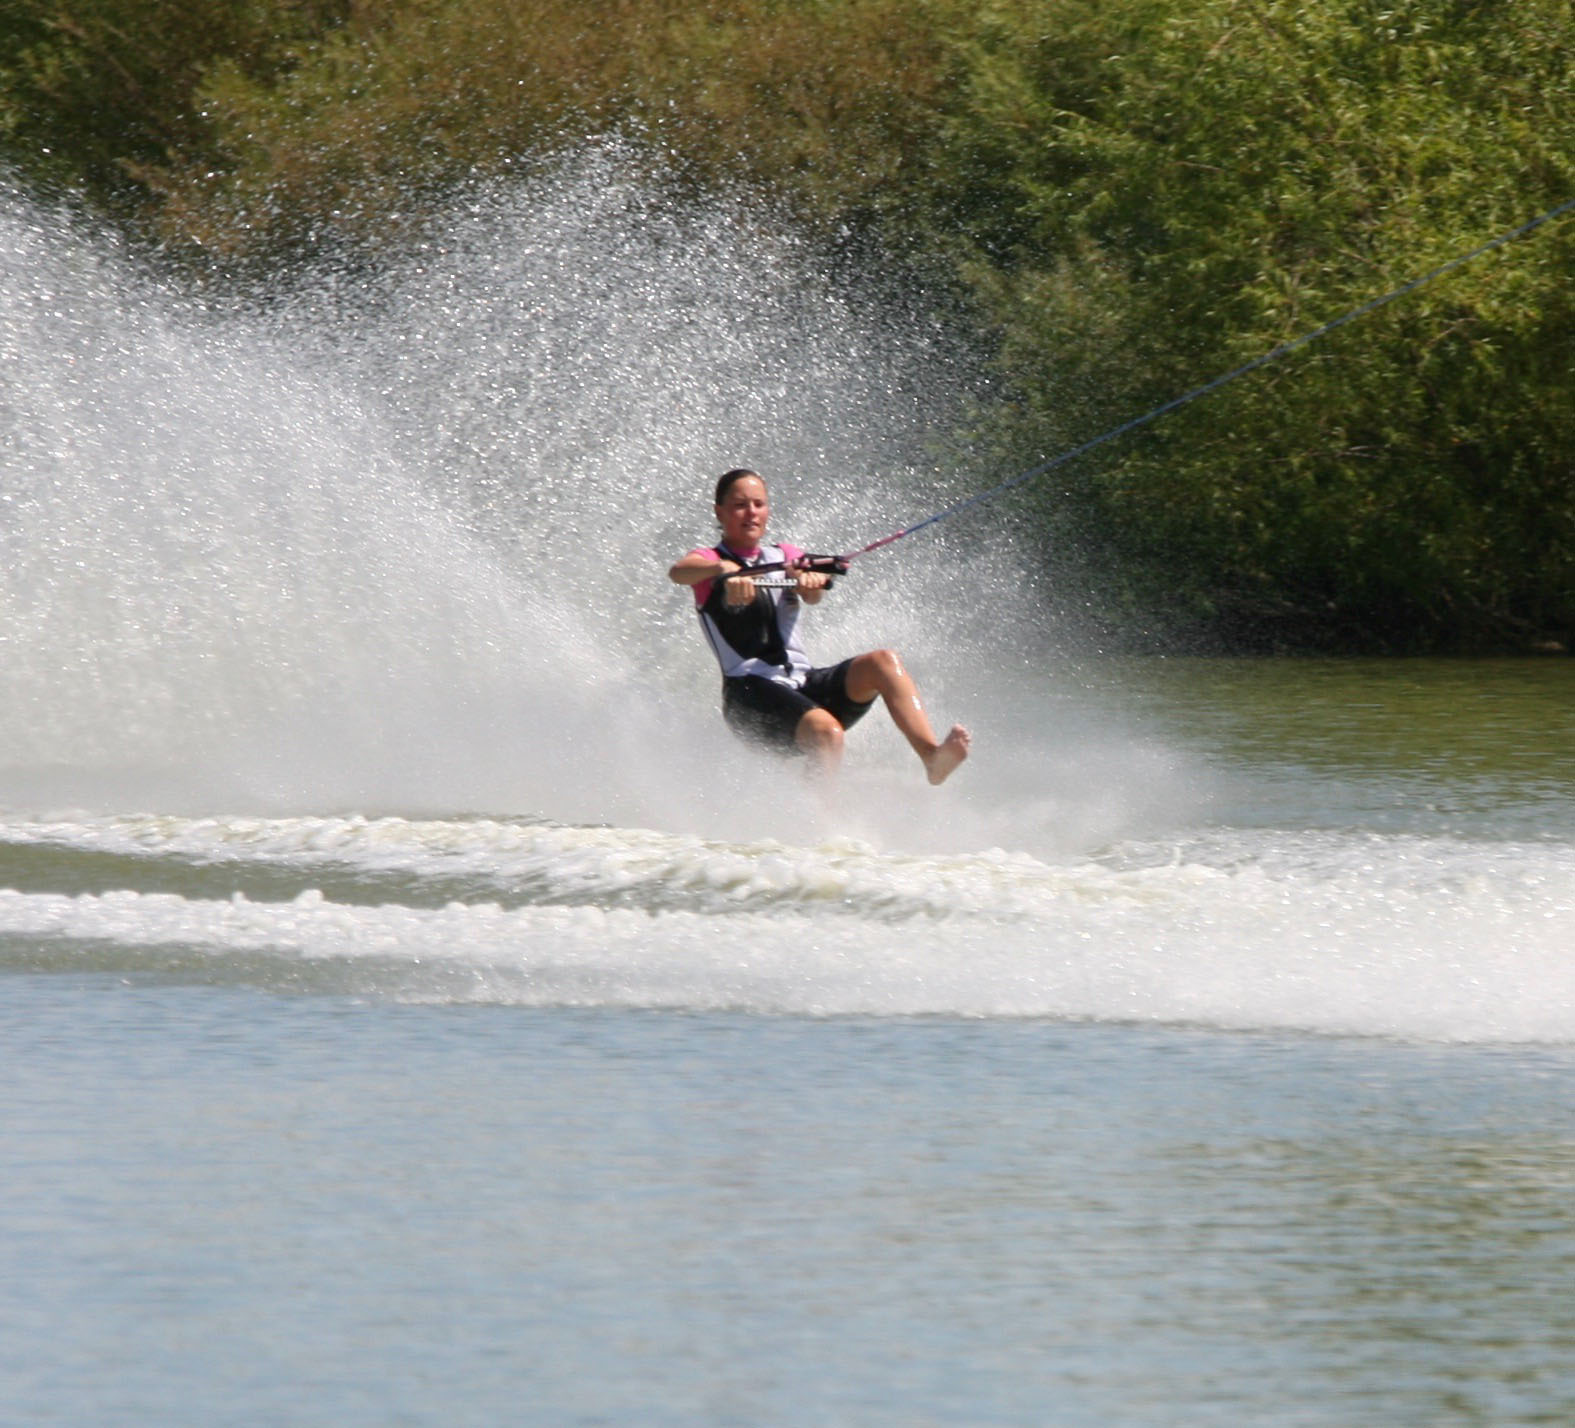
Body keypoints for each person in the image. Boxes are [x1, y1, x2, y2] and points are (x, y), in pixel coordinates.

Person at [668, 468, 970, 784]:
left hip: (801, 685)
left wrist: (809, 580)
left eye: (759, 504)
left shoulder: (785, 555)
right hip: (749, 698)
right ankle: (821, 816)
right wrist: (721, 571)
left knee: (883, 662)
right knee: (828, 732)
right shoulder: (708, 561)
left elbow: (812, 593)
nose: (751, 512)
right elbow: (679, 572)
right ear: (720, 512)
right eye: (740, 505)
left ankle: (931, 757)